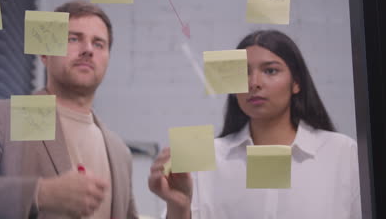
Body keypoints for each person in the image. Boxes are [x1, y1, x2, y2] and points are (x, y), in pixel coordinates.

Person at [0, 0, 139, 219]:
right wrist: (40, 194)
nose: (88, 50)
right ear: (44, 54)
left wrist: (174, 204)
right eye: (73, 39)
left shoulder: (120, 151)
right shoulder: (2, 119)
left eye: (99, 44)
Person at [148, 30, 361, 219]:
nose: (254, 83)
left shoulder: (342, 152)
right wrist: (179, 206)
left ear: (296, 83)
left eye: (270, 71)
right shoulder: (206, 158)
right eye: (243, 72)